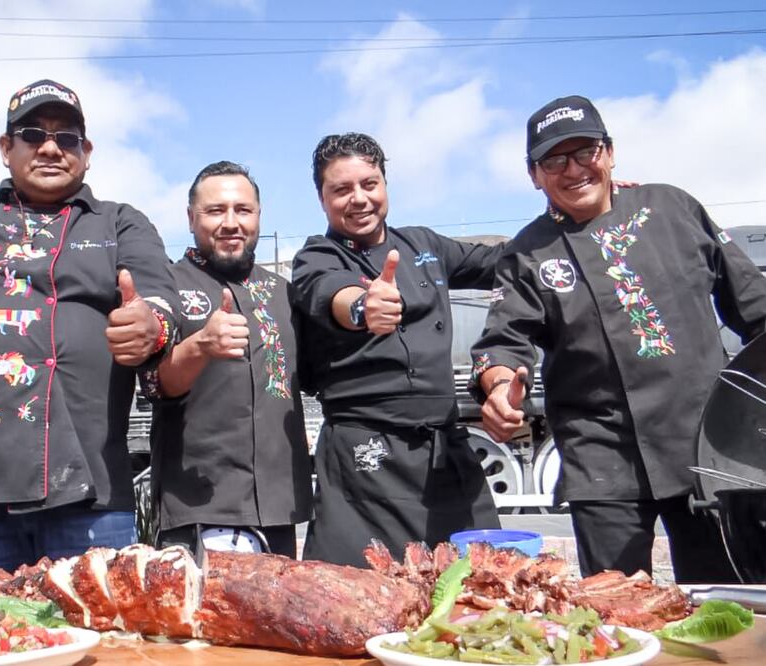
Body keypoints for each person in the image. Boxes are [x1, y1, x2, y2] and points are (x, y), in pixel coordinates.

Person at [470, 94, 766, 581]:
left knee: (723, 604)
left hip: (702, 444)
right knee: (612, 613)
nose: (574, 169)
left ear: (609, 152)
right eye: (554, 160)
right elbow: (503, 342)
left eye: (585, 151)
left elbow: (752, 305)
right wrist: (499, 386)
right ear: (534, 175)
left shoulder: (672, 207)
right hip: (601, 458)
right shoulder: (526, 253)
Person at [0, 79, 179, 586]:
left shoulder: (121, 223)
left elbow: (162, 299)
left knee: (99, 652)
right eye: (33, 134)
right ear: (6, 149)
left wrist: (152, 323)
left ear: (86, 153)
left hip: (91, 496)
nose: (51, 147)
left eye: (67, 137)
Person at [291, 132, 505, 568]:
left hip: (443, 451)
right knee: (356, 600)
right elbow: (331, 293)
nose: (359, 199)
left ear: (385, 185)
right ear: (321, 198)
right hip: (364, 457)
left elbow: (504, 262)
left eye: (369, 184)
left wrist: (575, 218)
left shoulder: (424, 245)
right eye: (341, 189)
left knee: (479, 585)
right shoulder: (316, 256)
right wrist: (361, 306)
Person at [141, 161, 312, 558]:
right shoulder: (166, 287)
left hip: (279, 506)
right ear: (190, 218)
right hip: (200, 506)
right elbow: (155, 383)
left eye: (243, 210)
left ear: (258, 216)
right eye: (215, 211)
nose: (231, 222)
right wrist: (200, 345)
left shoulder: (284, 293)